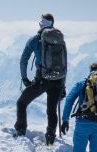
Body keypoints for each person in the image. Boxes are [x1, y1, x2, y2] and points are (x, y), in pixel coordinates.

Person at [13, 13, 67, 144]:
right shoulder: (60, 40)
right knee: (51, 110)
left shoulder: (35, 39)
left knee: (21, 103)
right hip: (58, 80)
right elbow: (64, 64)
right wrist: (63, 86)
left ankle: (20, 131)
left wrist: (25, 78)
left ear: (40, 24)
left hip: (42, 80)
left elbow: (24, 60)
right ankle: (50, 137)